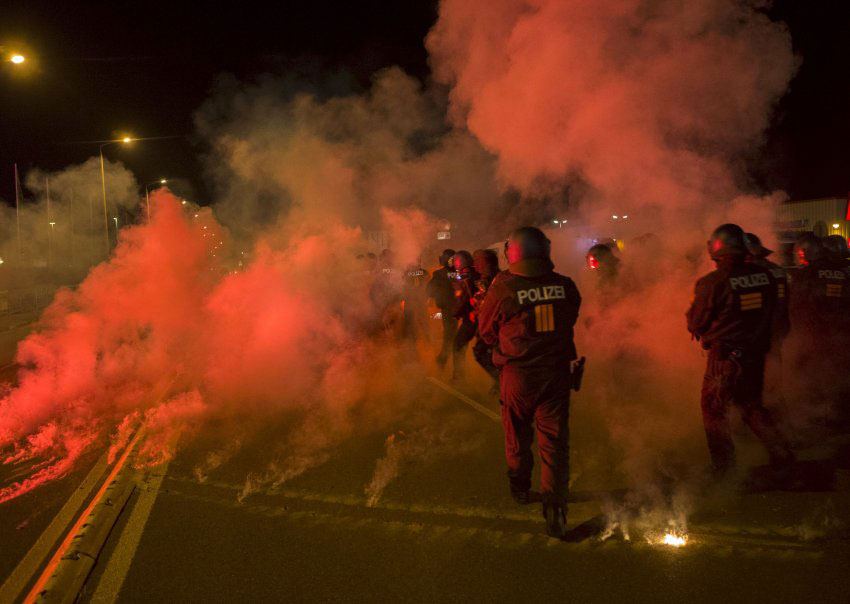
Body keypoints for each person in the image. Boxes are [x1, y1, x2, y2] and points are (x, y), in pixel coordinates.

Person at [478, 227, 581, 537]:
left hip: (518, 376)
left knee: (518, 436)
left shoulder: (503, 289)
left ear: (513, 253)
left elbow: (486, 332)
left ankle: (520, 487)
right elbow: (571, 317)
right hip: (555, 373)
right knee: (555, 444)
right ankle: (555, 508)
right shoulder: (565, 285)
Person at [686, 224, 794, 478]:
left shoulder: (712, 282)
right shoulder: (766, 276)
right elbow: (774, 313)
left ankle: (724, 469)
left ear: (717, 249)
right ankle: (782, 455)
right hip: (756, 353)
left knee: (714, 410)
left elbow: (696, 323)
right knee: (751, 406)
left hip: (724, 359)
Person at [788, 233, 850, 433]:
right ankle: (840, 422)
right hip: (841, 337)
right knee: (839, 380)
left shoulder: (807, 274)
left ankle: (817, 424)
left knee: (812, 381)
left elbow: (796, 308)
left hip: (814, 338)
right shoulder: (844, 273)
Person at [471, 249, 501, 383]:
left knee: (481, 351)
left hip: (493, 323)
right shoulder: (496, 276)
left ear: (487, 262)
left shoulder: (492, 280)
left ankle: (500, 380)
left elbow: (490, 304)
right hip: (494, 322)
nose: (475, 264)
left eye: (478, 261)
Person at [449, 250, 480, 381]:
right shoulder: (476, 273)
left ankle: (459, 376)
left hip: (472, 318)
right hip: (482, 316)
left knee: (458, 344)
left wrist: (455, 313)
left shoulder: (465, 277)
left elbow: (463, 299)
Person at [426, 249, 457, 368]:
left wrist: (436, 296)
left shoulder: (439, 274)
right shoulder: (459, 272)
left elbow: (429, 290)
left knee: (450, 335)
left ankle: (443, 360)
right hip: (460, 308)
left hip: (449, 309)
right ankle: (447, 360)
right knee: (454, 336)